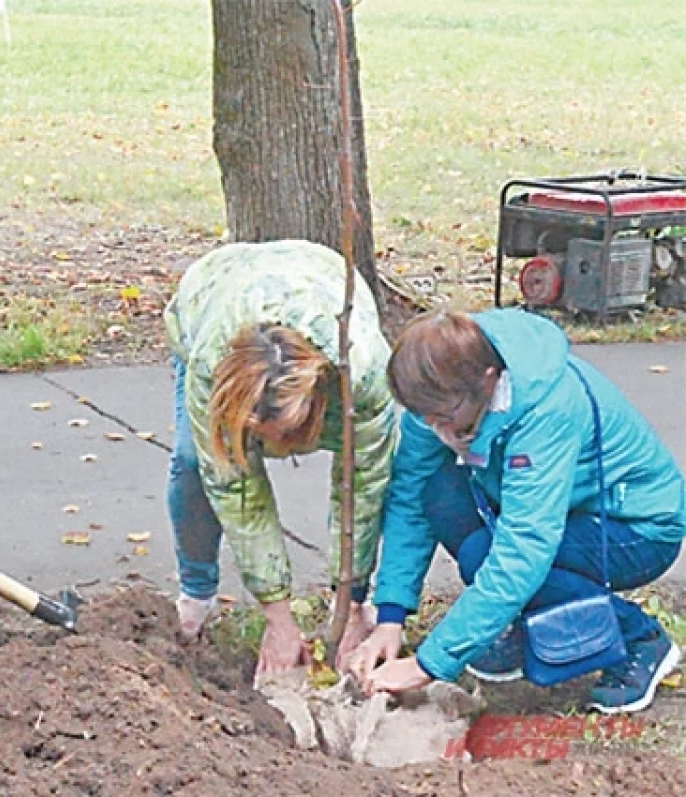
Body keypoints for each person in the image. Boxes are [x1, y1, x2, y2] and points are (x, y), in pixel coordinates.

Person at [350, 309, 684, 714]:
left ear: (488, 380)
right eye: (424, 417)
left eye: (444, 417)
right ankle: (518, 623)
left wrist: (427, 664)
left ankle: (641, 640)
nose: (433, 426)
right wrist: (391, 615)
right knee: (437, 492)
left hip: (635, 526)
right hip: (556, 509)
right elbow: (410, 498)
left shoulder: (548, 409)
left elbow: (523, 551)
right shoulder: (440, 392)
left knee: (489, 558)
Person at [162, 240, 398, 685]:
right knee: (195, 464)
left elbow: (364, 487)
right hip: (212, 290)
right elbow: (236, 491)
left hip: (319, 272)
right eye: (260, 433)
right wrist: (278, 616)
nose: (275, 446)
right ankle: (196, 594)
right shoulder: (211, 368)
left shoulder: (361, 373)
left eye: (285, 431)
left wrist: (350, 600)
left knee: (369, 479)